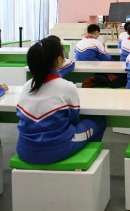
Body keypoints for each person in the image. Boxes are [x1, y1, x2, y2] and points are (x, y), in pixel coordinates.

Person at [16, 37, 106, 165]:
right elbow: (74, 119)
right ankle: (89, 157)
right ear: (59, 60)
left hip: (24, 149)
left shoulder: (26, 86)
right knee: (99, 120)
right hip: (57, 149)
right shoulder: (67, 87)